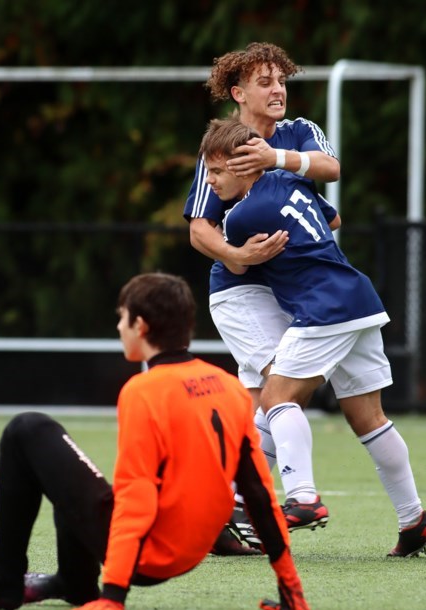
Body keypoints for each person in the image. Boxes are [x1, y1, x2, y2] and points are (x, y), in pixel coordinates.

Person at [0, 272, 311, 610]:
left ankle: (4, 579)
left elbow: (136, 499)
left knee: (27, 427)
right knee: (69, 466)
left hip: (147, 557)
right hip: (189, 552)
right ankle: (74, 582)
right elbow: (258, 492)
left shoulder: (143, 391)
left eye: (121, 318)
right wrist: (290, 585)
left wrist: (113, 597)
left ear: (140, 325)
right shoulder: (228, 386)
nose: (119, 327)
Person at [199, 118, 426, 558]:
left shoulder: (241, 216)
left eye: (216, 171)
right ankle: (414, 520)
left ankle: (303, 497)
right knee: (369, 418)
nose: (210, 182)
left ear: (242, 163)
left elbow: (235, 266)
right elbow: (333, 218)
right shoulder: (289, 182)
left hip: (323, 308)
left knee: (275, 398)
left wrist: (242, 252)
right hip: (360, 300)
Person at [183, 42, 341, 550]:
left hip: (285, 293)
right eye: (266, 82)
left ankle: (220, 509)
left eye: (281, 81)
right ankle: (295, 497)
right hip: (241, 291)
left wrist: (279, 161)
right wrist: (239, 255)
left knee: (261, 405)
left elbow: (330, 171)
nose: (278, 91)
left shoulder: (301, 132)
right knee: (283, 388)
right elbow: (199, 230)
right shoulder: (224, 143)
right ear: (238, 93)